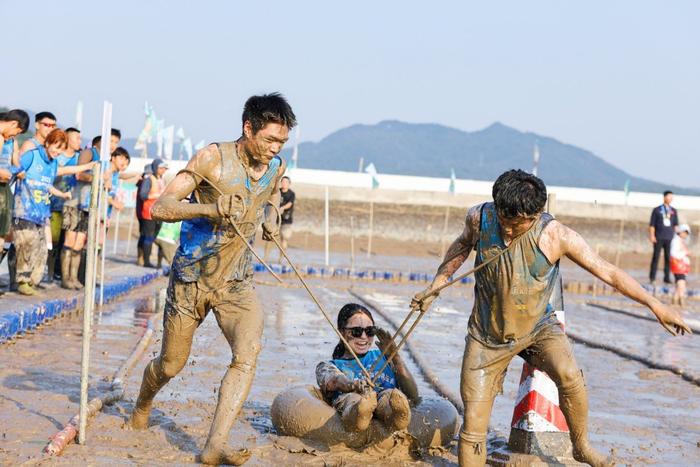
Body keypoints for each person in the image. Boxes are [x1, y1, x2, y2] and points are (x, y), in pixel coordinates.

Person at [412, 169, 691, 467]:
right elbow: (462, 244)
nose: (507, 232)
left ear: (535, 215)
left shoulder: (557, 235)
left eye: (516, 225)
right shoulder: (479, 218)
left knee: (570, 375)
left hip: (538, 330)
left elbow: (608, 272)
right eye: (504, 221)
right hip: (487, 337)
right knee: (473, 429)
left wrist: (654, 304)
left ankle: (581, 446)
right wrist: (437, 283)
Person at [127, 93, 296, 466]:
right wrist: (209, 208)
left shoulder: (275, 167)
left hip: (236, 283)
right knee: (171, 365)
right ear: (247, 128)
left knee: (247, 354)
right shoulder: (212, 159)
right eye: (269, 139)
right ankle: (143, 402)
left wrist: (270, 219)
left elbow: (267, 199)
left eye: (281, 142)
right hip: (192, 279)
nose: (274, 148)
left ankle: (214, 445)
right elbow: (161, 206)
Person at [11, 129, 96, 295]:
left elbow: (53, 180)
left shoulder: (53, 163)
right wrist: (19, 175)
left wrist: (63, 193)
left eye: (60, 149)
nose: (57, 152)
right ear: (48, 143)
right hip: (24, 209)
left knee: (42, 249)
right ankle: (22, 281)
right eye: (55, 147)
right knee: (27, 244)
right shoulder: (32, 156)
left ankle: (31, 282)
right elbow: (14, 171)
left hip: (42, 213)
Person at [315, 303, 419, 433]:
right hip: (352, 404)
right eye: (356, 331)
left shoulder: (384, 356)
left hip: (385, 404)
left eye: (369, 331)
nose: (364, 337)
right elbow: (334, 380)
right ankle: (360, 413)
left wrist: (395, 357)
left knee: (389, 396)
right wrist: (352, 385)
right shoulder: (330, 365)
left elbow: (413, 395)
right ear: (341, 332)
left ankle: (396, 417)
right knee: (353, 399)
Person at [74, 130, 121, 285]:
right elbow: (79, 174)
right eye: (111, 141)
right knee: (77, 243)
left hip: (98, 209)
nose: (113, 145)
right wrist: (98, 178)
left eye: (116, 142)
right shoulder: (91, 153)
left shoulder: (107, 161)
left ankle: (86, 278)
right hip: (82, 204)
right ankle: (75, 277)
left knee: (93, 244)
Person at [48, 127, 81, 282]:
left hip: (72, 206)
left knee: (65, 240)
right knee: (53, 241)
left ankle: (60, 273)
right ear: (67, 139)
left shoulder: (80, 158)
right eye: (76, 138)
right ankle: (49, 273)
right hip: (54, 205)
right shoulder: (57, 158)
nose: (79, 142)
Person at [0, 109, 29, 272]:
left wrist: (18, 170)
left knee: (4, 235)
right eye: (17, 132)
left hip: (4, 189)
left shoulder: (10, 141)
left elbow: (17, 164)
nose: (15, 136)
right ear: (13, 124)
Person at [137, 159, 168, 268]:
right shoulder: (149, 180)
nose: (163, 170)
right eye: (161, 168)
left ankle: (145, 258)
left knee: (154, 237)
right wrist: (156, 195)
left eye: (164, 168)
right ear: (155, 168)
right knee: (148, 237)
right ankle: (146, 261)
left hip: (159, 214)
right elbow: (143, 195)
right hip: (148, 213)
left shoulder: (162, 180)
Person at [649, 190, 679, 285]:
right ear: (664, 197)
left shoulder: (673, 211)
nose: (671, 199)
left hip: (669, 237)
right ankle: (652, 278)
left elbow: (676, 225)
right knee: (656, 257)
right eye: (669, 197)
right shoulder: (657, 210)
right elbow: (652, 225)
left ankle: (667, 278)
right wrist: (652, 235)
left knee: (668, 258)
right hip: (658, 237)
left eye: (672, 197)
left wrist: (678, 237)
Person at [135, 163, 152, 266]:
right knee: (145, 236)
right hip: (143, 212)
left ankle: (140, 258)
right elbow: (143, 196)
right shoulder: (146, 181)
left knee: (143, 235)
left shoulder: (142, 181)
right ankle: (142, 258)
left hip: (141, 211)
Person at [670, 224, 691, 307]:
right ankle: (682, 301)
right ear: (680, 232)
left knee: (679, 284)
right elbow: (673, 253)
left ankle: (674, 301)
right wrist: (685, 253)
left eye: (687, 233)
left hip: (681, 266)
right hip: (677, 265)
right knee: (681, 284)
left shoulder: (680, 240)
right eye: (684, 232)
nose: (685, 235)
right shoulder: (676, 241)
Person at [279, 175, 295, 250]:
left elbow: (290, 204)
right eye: (283, 181)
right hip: (276, 219)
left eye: (286, 182)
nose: (284, 183)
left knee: (284, 239)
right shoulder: (277, 192)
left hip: (286, 220)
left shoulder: (291, 194)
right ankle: (265, 257)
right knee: (271, 239)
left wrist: (282, 208)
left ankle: (281, 258)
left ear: (289, 183)